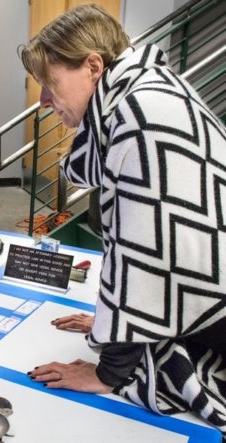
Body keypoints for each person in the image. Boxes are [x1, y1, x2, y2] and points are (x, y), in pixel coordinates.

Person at [19, 3, 226, 435]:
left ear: (94, 65)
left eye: (50, 83)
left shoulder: (140, 118)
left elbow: (142, 255)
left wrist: (109, 370)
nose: (43, 100)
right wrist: (119, 322)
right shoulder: (152, 92)